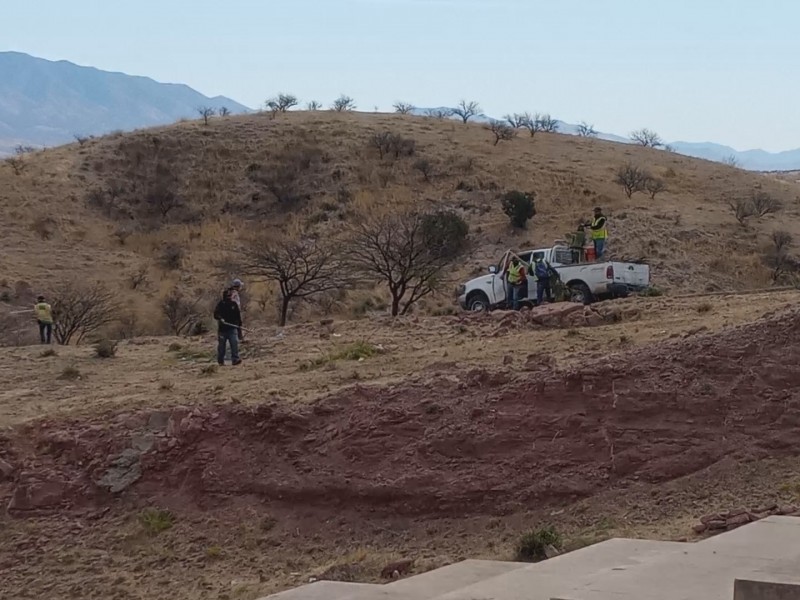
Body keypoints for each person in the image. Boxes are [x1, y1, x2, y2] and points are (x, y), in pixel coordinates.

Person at [213, 289, 242, 366]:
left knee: (234, 343)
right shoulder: (221, 304)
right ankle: (221, 361)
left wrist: (239, 329)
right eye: (227, 296)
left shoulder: (234, 304)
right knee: (222, 346)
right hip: (223, 329)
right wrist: (220, 318)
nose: (229, 297)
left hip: (233, 328)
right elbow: (215, 314)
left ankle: (235, 359)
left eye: (230, 296)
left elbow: (238, 317)